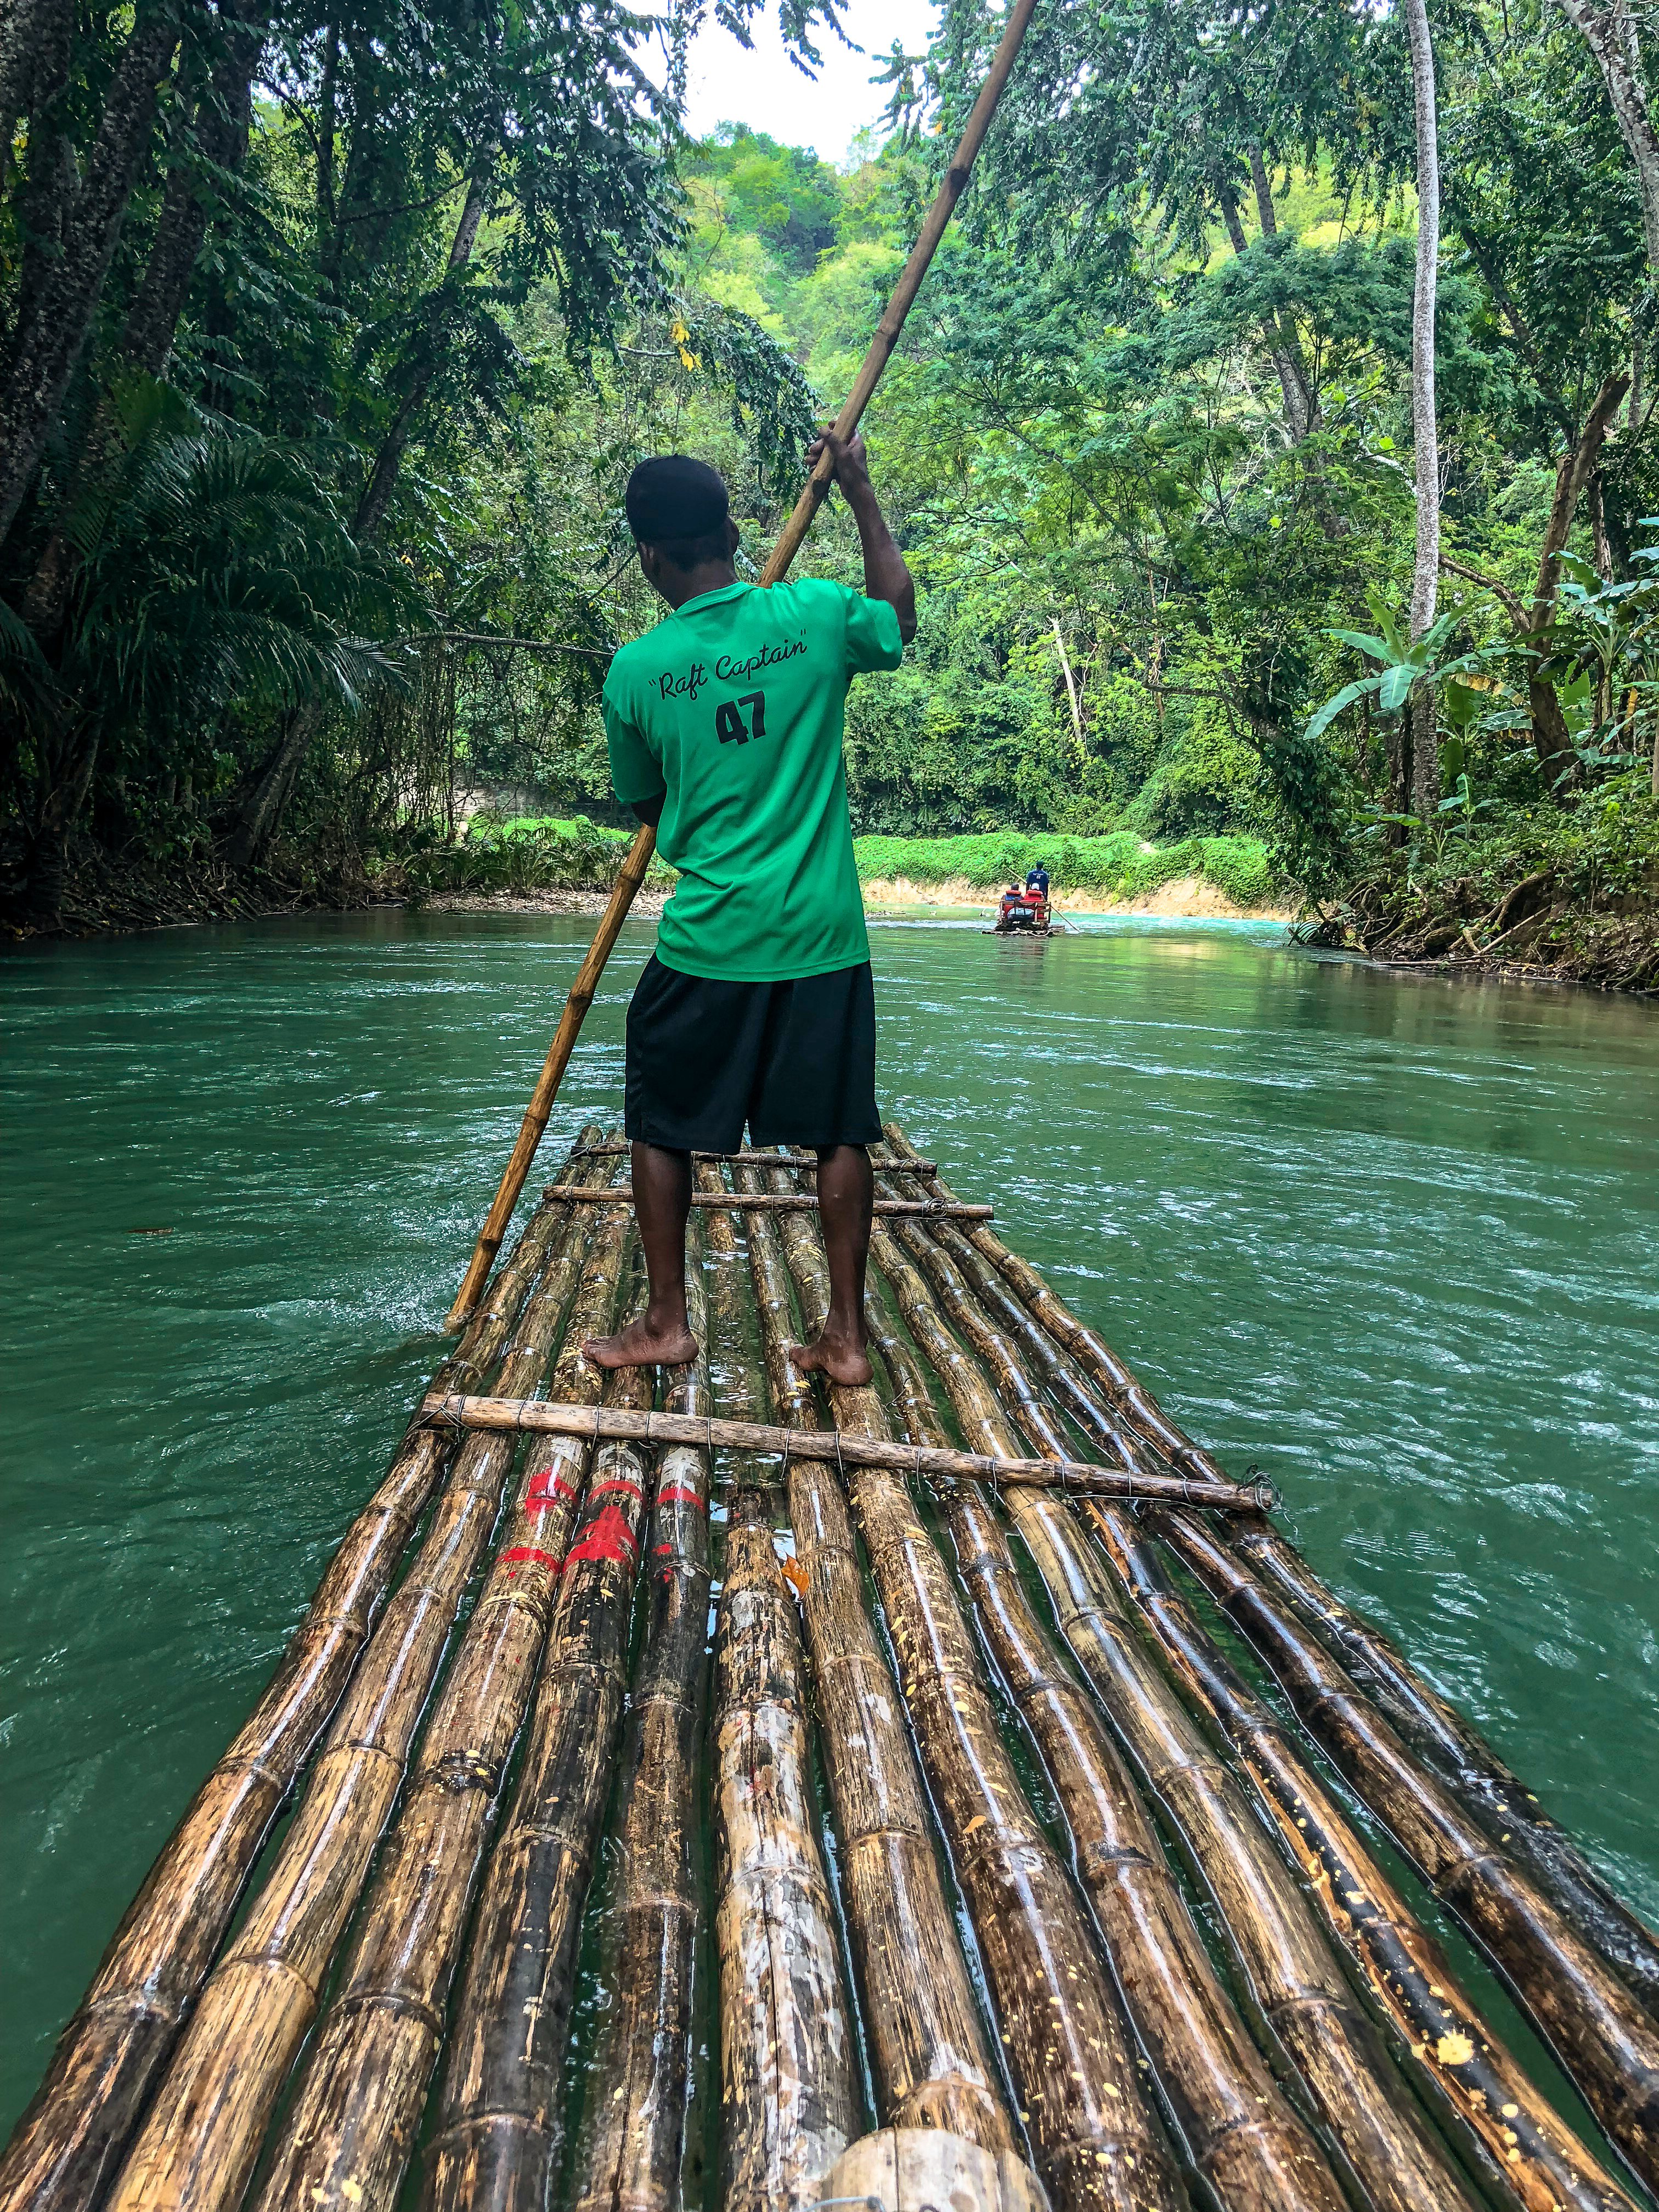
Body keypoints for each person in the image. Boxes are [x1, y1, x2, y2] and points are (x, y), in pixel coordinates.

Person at [582, 432, 916, 1386]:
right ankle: (845, 1340)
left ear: (650, 556)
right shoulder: (812, 616)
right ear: (732, 532)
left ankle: (665, 1322)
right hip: (822, 934)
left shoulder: (639, 672)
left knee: (658, 1119)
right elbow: (898, 617)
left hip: (712, 938)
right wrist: (859, 490)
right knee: (841, 1128)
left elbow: (647, 804)